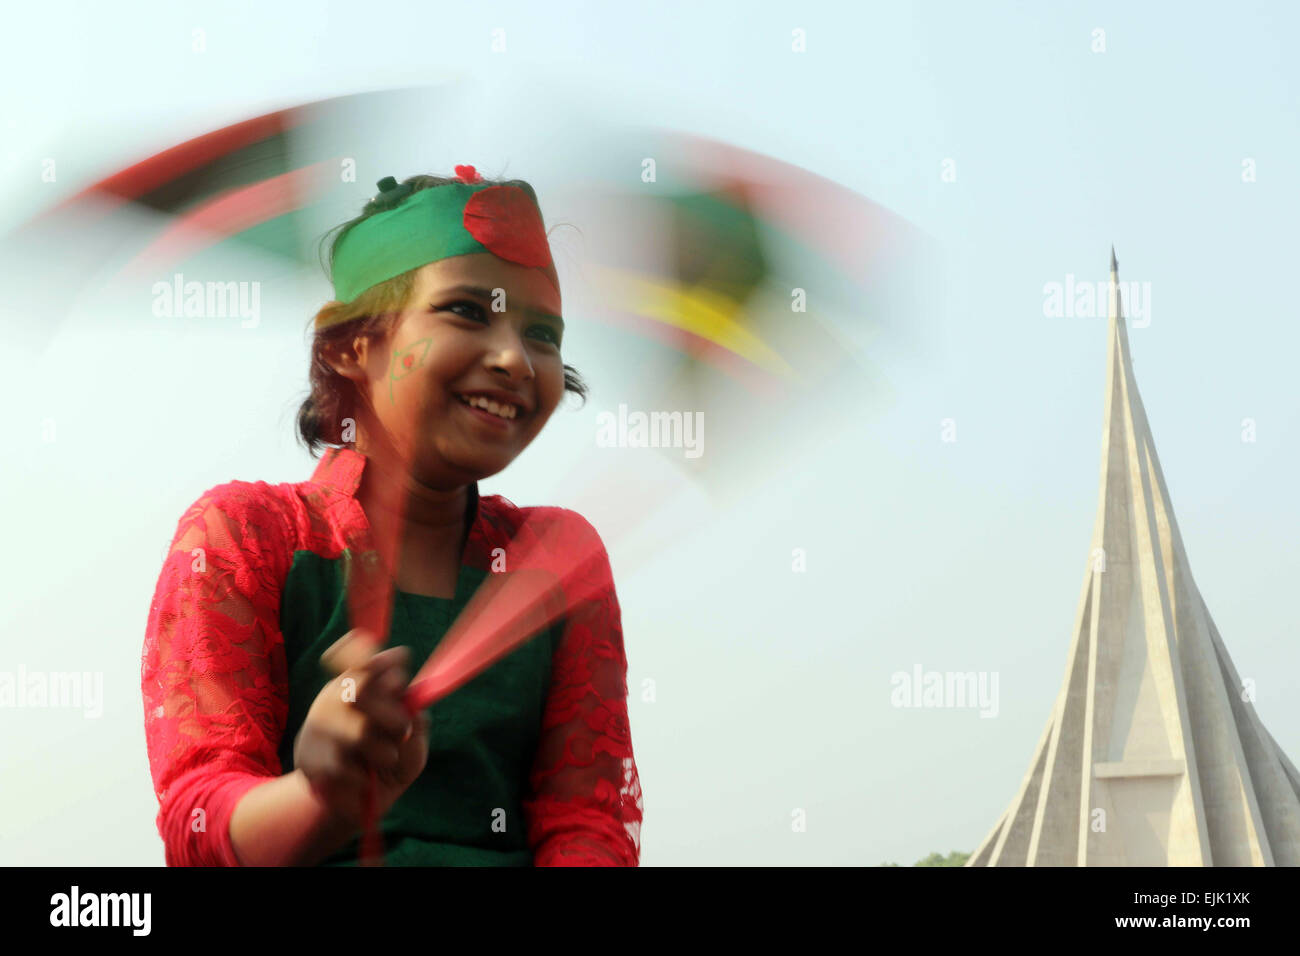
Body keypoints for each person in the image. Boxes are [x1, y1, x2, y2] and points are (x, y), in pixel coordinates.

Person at [141, 167, 643, 866]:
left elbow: (587, 822)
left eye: (543, 333)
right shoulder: (243, 535)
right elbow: (200, 825)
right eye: (467, 312)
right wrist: (324, 797)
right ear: (350, 346)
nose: (514, 360)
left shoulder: (558, 556)